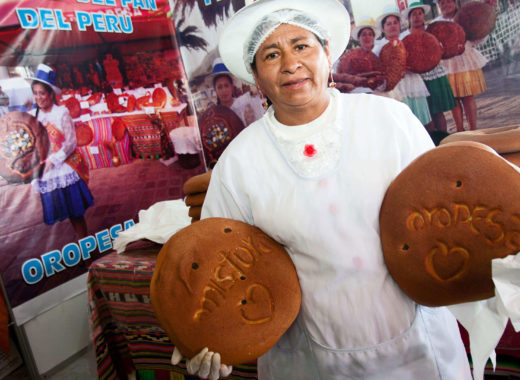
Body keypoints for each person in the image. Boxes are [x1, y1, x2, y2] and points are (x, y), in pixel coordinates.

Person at [171, 0, 472, 379]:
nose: (290, 64)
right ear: (255, 75)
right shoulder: (239, 163)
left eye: (301, 46)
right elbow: (219, 266)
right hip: (309, 360)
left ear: (327, 51)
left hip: (421, 349)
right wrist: (210, 336)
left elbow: (448, 216)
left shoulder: (389, 120)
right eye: (271, 54)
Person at [28, 64, 93, 238]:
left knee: (76, 214)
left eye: (42, 93)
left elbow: (71, 142)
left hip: (64, 167)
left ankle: (87, 250)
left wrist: (53, 160)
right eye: (35, 93)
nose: (39, 97)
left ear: (50, 94)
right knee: (62, 212)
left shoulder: (61, 112)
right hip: (48, 173)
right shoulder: (33, 115)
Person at [401, 1, 456, 133]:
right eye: (414, 14)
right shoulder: (405, 37)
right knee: (427, 114)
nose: (417, 17)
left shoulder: (433, 31)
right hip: (417, 79)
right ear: (409, 18)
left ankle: (444, 138)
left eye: (420, 13)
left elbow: (444, 49)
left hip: (435, 74)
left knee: (438, 111)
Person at [433, 0, 488, 131]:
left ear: (455, 3)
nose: (445, 5)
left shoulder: (465, 17)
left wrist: (465, 43)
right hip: (447, 64)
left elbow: (478, 35)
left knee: (468, 95)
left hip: (465, 61)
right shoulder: (436, 24)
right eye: (442, 3)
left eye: (448, 1)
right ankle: (459, 129)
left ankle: (473, 128)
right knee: (454, 98)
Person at [373, 9, 433, 126]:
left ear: (400, 25)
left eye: (395, 23)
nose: (392, 26)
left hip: (413, 83)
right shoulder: (379, 48)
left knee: (423, 122)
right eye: (388, 24)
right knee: (405, 122)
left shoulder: (408, 39)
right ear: (383, 28)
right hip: (395, 88)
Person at [208, 57, 265, 127]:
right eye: (219, 87)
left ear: (232, 87)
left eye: (226, 86)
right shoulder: (216, 114)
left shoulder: (243, 105)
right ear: (215, 89)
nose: (224, 90)